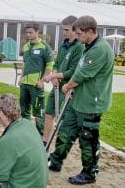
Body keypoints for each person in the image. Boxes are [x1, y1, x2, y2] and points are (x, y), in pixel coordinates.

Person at [48, 16, 114, 185]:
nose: (77, 37)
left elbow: (81, 75)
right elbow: (80, 69)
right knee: (65, 132)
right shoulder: (87, 46)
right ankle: (55, 161)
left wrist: (67, 86)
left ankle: (90, 172)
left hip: (91, 104)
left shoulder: (100, 49)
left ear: (90, 31)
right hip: (77, 101)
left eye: (79, 33)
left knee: (88, 139)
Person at [0, 94, 48, 188]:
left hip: (21, 185)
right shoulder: (28, 124)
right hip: (37, 183)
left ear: (0, 113)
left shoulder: (7, 140)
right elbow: (8, 146)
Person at [42, 16, 85, 145]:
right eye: (63, 29)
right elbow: (56, 63)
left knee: (64, 119)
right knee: (49, 113)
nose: (64, 32)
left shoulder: (79, 47)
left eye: (66, 30)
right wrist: (54, 73)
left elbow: (73, 71)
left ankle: (61, 144)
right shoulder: (64, 44)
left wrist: (54, 76)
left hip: (68, 89)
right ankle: (45, 141)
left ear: (75, 29)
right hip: (57, 87)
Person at [19, 22, 54, 135]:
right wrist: (21, 78)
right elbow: (25, 64)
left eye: (31, 32)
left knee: (38, 111)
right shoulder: (25, 46)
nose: (28, 35)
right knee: (24, 110)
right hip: (25, 84)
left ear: (37, 32)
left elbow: (49, 66)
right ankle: (26, 131)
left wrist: (42, 81)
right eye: (27, 32)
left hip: (36, 85)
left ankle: (40, 135)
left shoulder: (45, 47)